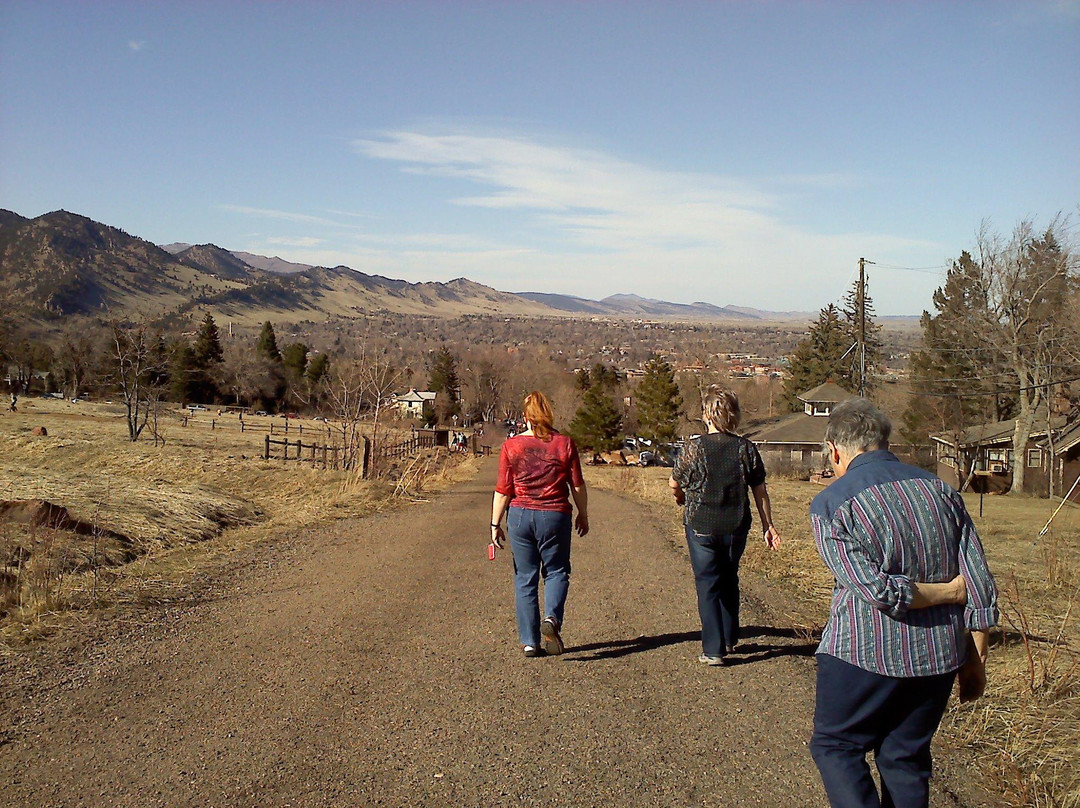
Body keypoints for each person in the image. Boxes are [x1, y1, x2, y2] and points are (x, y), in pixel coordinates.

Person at [809, 398, 998, 808]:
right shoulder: (940, 491)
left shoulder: (832, 505)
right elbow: (978, 582)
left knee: (836, 746)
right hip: (937, 657)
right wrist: (974, 658)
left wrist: (941, 593)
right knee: (905, 758)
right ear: (882, 441)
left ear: (836, 451)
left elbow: (879, 592)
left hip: (862, 654)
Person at [669, 385, 780, 666]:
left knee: (708, 583)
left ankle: (713, 649)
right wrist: (769, 525)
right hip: (735, 524)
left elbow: (674, 483)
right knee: (729, 577)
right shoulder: (746, 449)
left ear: (706, 415)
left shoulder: (693, 448)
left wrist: (680, 496)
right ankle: (730, 636)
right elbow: (760, 491)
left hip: (700, 523)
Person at [490, 391, 589, 658]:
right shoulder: (565, 443)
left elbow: (503, 490)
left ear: (525, 418)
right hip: (555, 514)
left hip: (520, 514)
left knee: (525, 578)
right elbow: (576, 484)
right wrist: (583, 513)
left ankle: (530, 642)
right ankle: (552, 620)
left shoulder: (512, 446)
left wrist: (494, 524)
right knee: (556, 571)